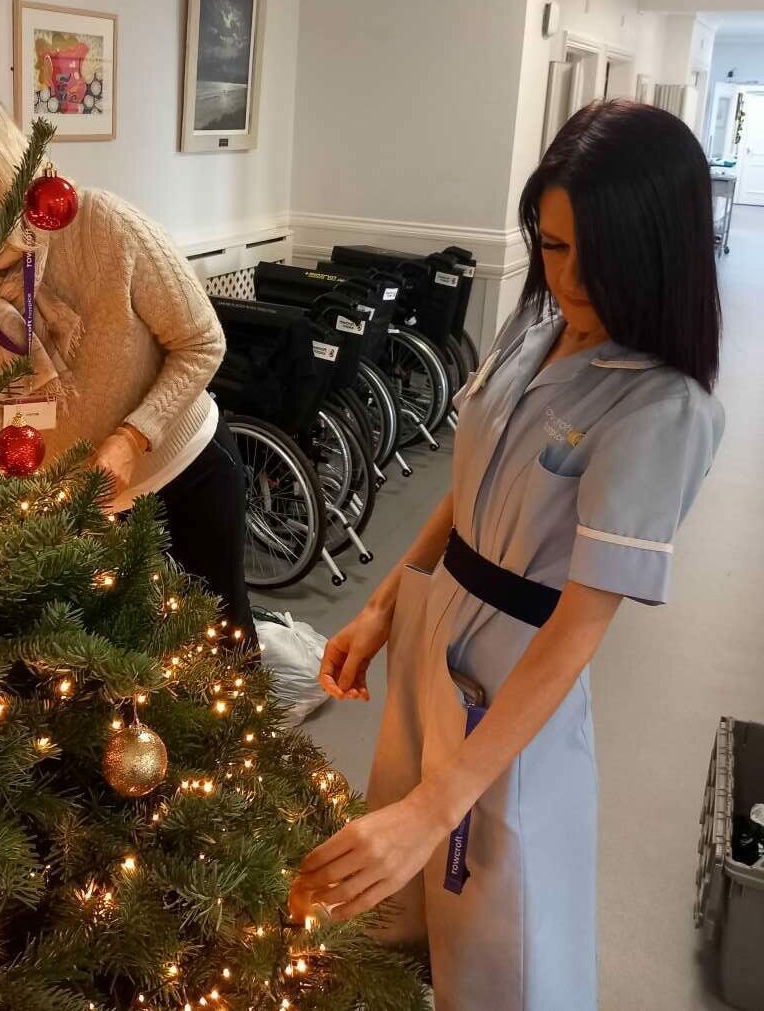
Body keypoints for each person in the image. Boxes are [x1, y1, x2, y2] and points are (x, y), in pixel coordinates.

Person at [289, 99, 725, 1009]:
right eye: (555, 247)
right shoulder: (532, 330)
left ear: (659, 247)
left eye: (596, 251)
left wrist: (437, 805)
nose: (571, 276)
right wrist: (384, 602)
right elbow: (473, 478)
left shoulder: (660, 408)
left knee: (501, 921)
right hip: (433, 624)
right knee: (398, 904)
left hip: (517, 677)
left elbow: (579, 626)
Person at [0, 72, 255, 645]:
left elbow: (202, 342)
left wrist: (131, 438)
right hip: (70, 510)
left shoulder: (98, 225)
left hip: (186, 476)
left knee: (222, 663)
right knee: (117, 688)